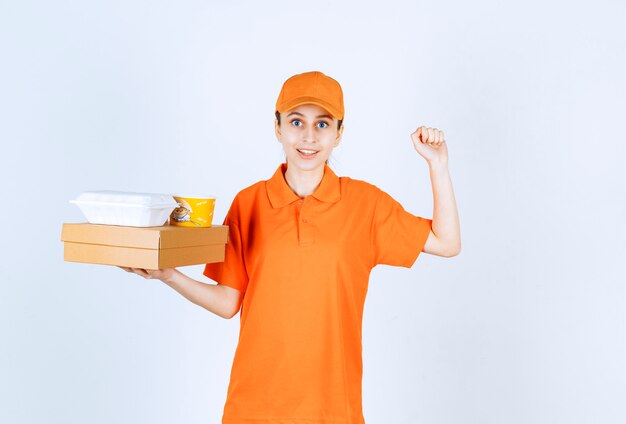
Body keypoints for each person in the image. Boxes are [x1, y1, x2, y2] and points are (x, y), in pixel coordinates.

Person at [121, 71, 461, 424]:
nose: (309, 136)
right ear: (278, 127)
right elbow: (228, 302)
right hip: (254, 408)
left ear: (339, 133)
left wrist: (438, 164)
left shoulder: (366, 205)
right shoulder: (249, 203)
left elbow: (446, 243)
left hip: (333, 410)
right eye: (296, 121)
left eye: (323, 124)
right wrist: (168, 275)